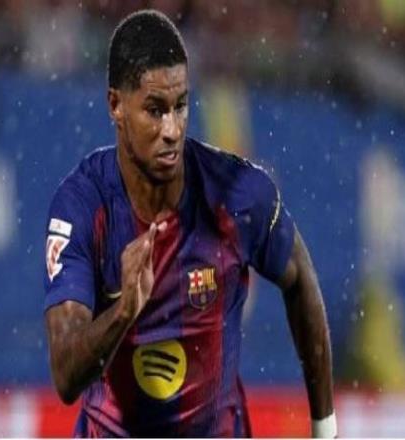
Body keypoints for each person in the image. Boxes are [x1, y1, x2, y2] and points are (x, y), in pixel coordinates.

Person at [44, 9, 336, 438]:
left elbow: (300, 278)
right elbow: (66, 374)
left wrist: (325, 429)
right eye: (154, 110)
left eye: (180, 106)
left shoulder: (237, 193)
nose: (172, 129)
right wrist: (124, 312)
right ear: (116, 106)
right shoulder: (82, 207)